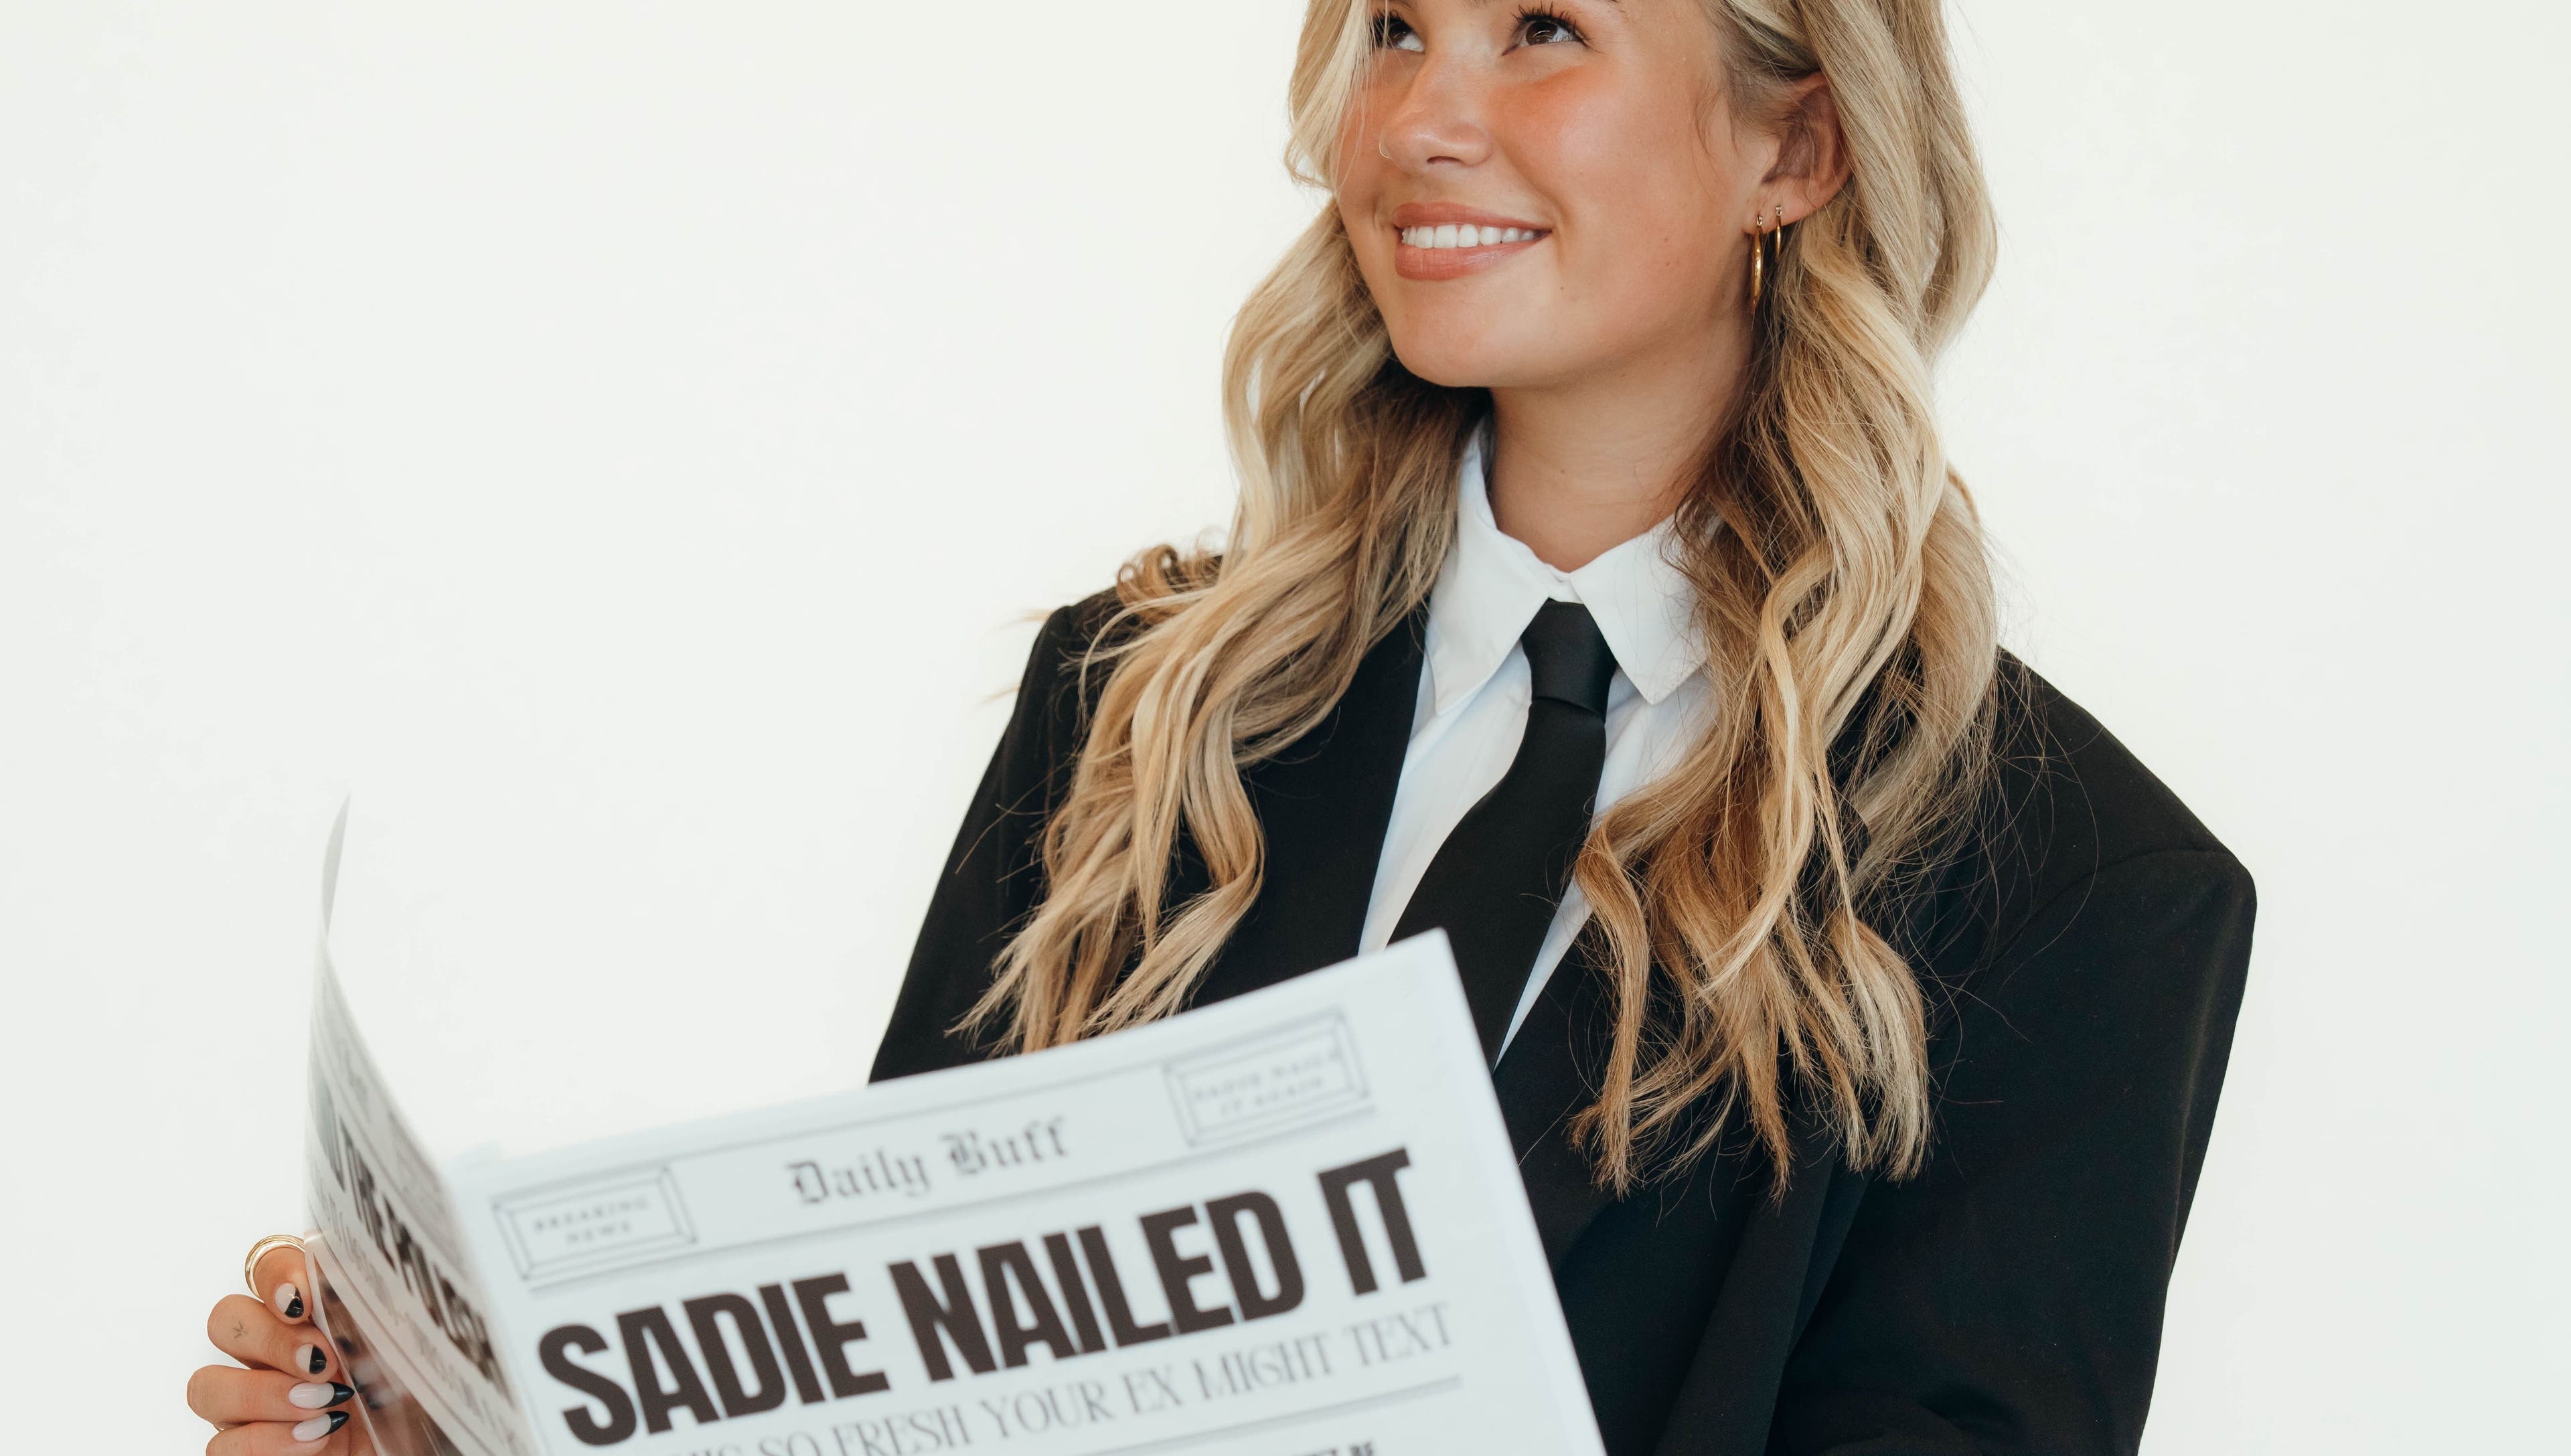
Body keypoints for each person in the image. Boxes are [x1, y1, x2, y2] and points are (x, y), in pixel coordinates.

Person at [191, 0, 2254, 1451]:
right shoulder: (1134, 710)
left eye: (1540, 26)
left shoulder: (2076, 890)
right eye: (1387, 27)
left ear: (1794, 142)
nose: (1416, 123)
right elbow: (883, 1403)